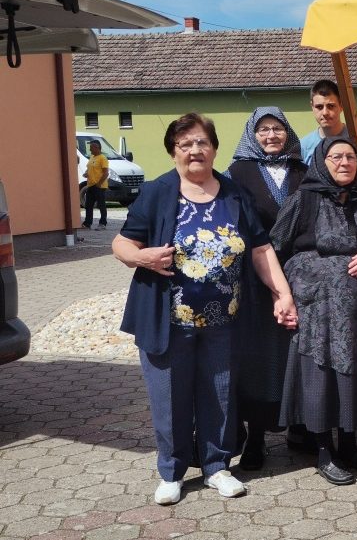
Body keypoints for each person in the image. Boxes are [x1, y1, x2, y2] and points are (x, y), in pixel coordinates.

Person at [112, 113, 297, 505]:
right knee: (170, 395)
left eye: (202, 143)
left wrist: (282, 293)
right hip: (168, 318)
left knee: (220, 392)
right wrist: (142, 258)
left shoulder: (233, 193)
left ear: (214, 148)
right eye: (185, 144)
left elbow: (261, 248)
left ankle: (217, 467)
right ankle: (172, 471)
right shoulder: (158, 192)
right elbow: (121, 244)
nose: (195, 150)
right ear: (173, 151)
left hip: (223, 319)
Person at [271, 136, 357, 486]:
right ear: (320, 161)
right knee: (322, 378)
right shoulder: (304, 200)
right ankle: (324, 452)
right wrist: (283, 295)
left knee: (354, 376)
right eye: (336, 157)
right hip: (319, 311)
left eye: (350, 157)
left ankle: (349, 445)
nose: (344, 162)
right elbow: (274, 249)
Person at [226, 106, 308, 470]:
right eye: (263, 130)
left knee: (298, 352)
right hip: (256, 279)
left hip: (299, 273)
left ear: (288, 133)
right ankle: (256, 438)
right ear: (252, 135)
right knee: (259, 358)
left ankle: (301, 427)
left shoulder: (304, 171)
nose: (271, 135)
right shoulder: (237, 172)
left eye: (277, 129)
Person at [299, 79, 357, 197]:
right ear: (312, 107)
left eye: (331, 106)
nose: (325, 112)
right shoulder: (303, 145)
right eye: (319, 107)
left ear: (341, 106)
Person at [82, 139, 109, 230]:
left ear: (97, 148)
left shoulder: (102, 158)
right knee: (88, 205)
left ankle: (103, 223)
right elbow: (90, 168)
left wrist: (99, 183)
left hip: (99, 186)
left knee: (101, 205)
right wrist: (86, 173)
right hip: (90, 185)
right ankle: (87, 223)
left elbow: (106, 173)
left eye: (91, 148)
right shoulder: (92, 157)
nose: (90, 150)